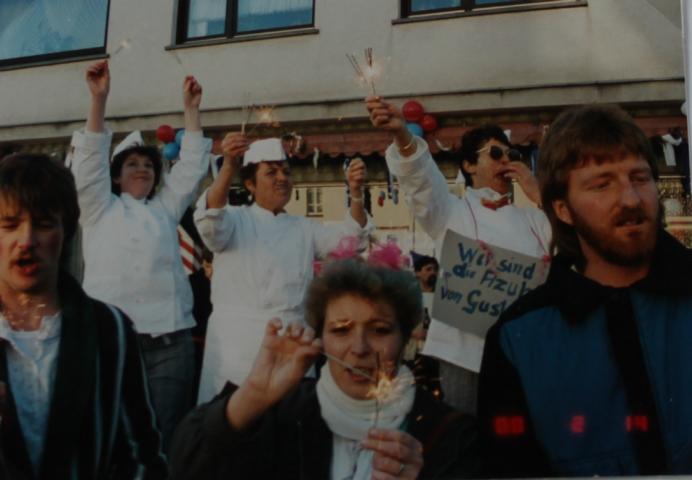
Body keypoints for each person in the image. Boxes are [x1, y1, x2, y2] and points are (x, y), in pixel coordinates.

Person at [477, 104, 692, 477]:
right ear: (562, 209)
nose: (631, 199)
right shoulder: (518, 338)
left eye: (639, 178)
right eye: (602, 184)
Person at [169, 258, 478, 479]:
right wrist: (252, 395)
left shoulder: (449, 433)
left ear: (405, 337)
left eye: (380, 330)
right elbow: (186, 466)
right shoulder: (282, 414)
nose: (359, 348)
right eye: (341, 330)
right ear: (321, 338)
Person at [366, 97, 551, 414]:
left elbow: (576, 240)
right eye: (495, 154)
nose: (505, 162)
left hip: (525, 353)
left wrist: (540, 195)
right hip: (464, 355)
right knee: (465, 433)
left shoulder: (536, 219)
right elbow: (421, 180)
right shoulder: (451, 211)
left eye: (511, 155)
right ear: (469, 165)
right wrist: (401, 133)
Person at [70, 60, 212, 452]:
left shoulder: (164, 208)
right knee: (108, 438)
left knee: (163, 441)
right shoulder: (98, 208)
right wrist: (98, 100)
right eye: (132, 165)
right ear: (115, 176)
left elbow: (191, 169)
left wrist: (192, 111)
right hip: (111, 343)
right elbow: (89, 166)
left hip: (170, 345)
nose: (143, 170)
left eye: (149, 165)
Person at [0, 153, 166, 478]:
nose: (27, 241)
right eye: (9, 225)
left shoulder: (109, 329)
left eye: (44, 224)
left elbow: (143, 455)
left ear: (66, 232)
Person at [193, 133, 372, 403]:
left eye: (286, 172)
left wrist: (356, 192)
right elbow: (210, 219)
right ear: (250, 184)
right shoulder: (234, 220)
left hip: (292, 340)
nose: (282, 178)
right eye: (271, 172)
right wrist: (229, 165)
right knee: (233, 418)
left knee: (290, 418)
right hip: (236, 348)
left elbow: (351, 240)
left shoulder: (304, 227)